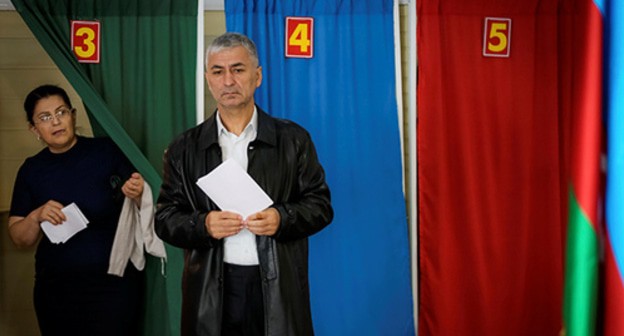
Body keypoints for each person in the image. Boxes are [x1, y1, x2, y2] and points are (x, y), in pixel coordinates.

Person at [155, 32, 333, 336]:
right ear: (208, 79)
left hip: (277, 287)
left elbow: (320, 206)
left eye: (238, 69)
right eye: (218, 71)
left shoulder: (293, 140)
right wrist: (203, 224)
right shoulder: (184, 148)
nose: (228, 81)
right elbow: (164, 218)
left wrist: (282, 218)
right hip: (211, 289)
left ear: (257, 76)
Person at [8, 84, 144, 336]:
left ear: (73, 115)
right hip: (58, 289)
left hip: (113, 284)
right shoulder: (31, 170)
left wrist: (137, 193)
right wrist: (36, 216)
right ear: (33, 128)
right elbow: (20, 238)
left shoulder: (106, 151)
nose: (56, 122)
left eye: (61, 112)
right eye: (45, 117)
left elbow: (143, 208)